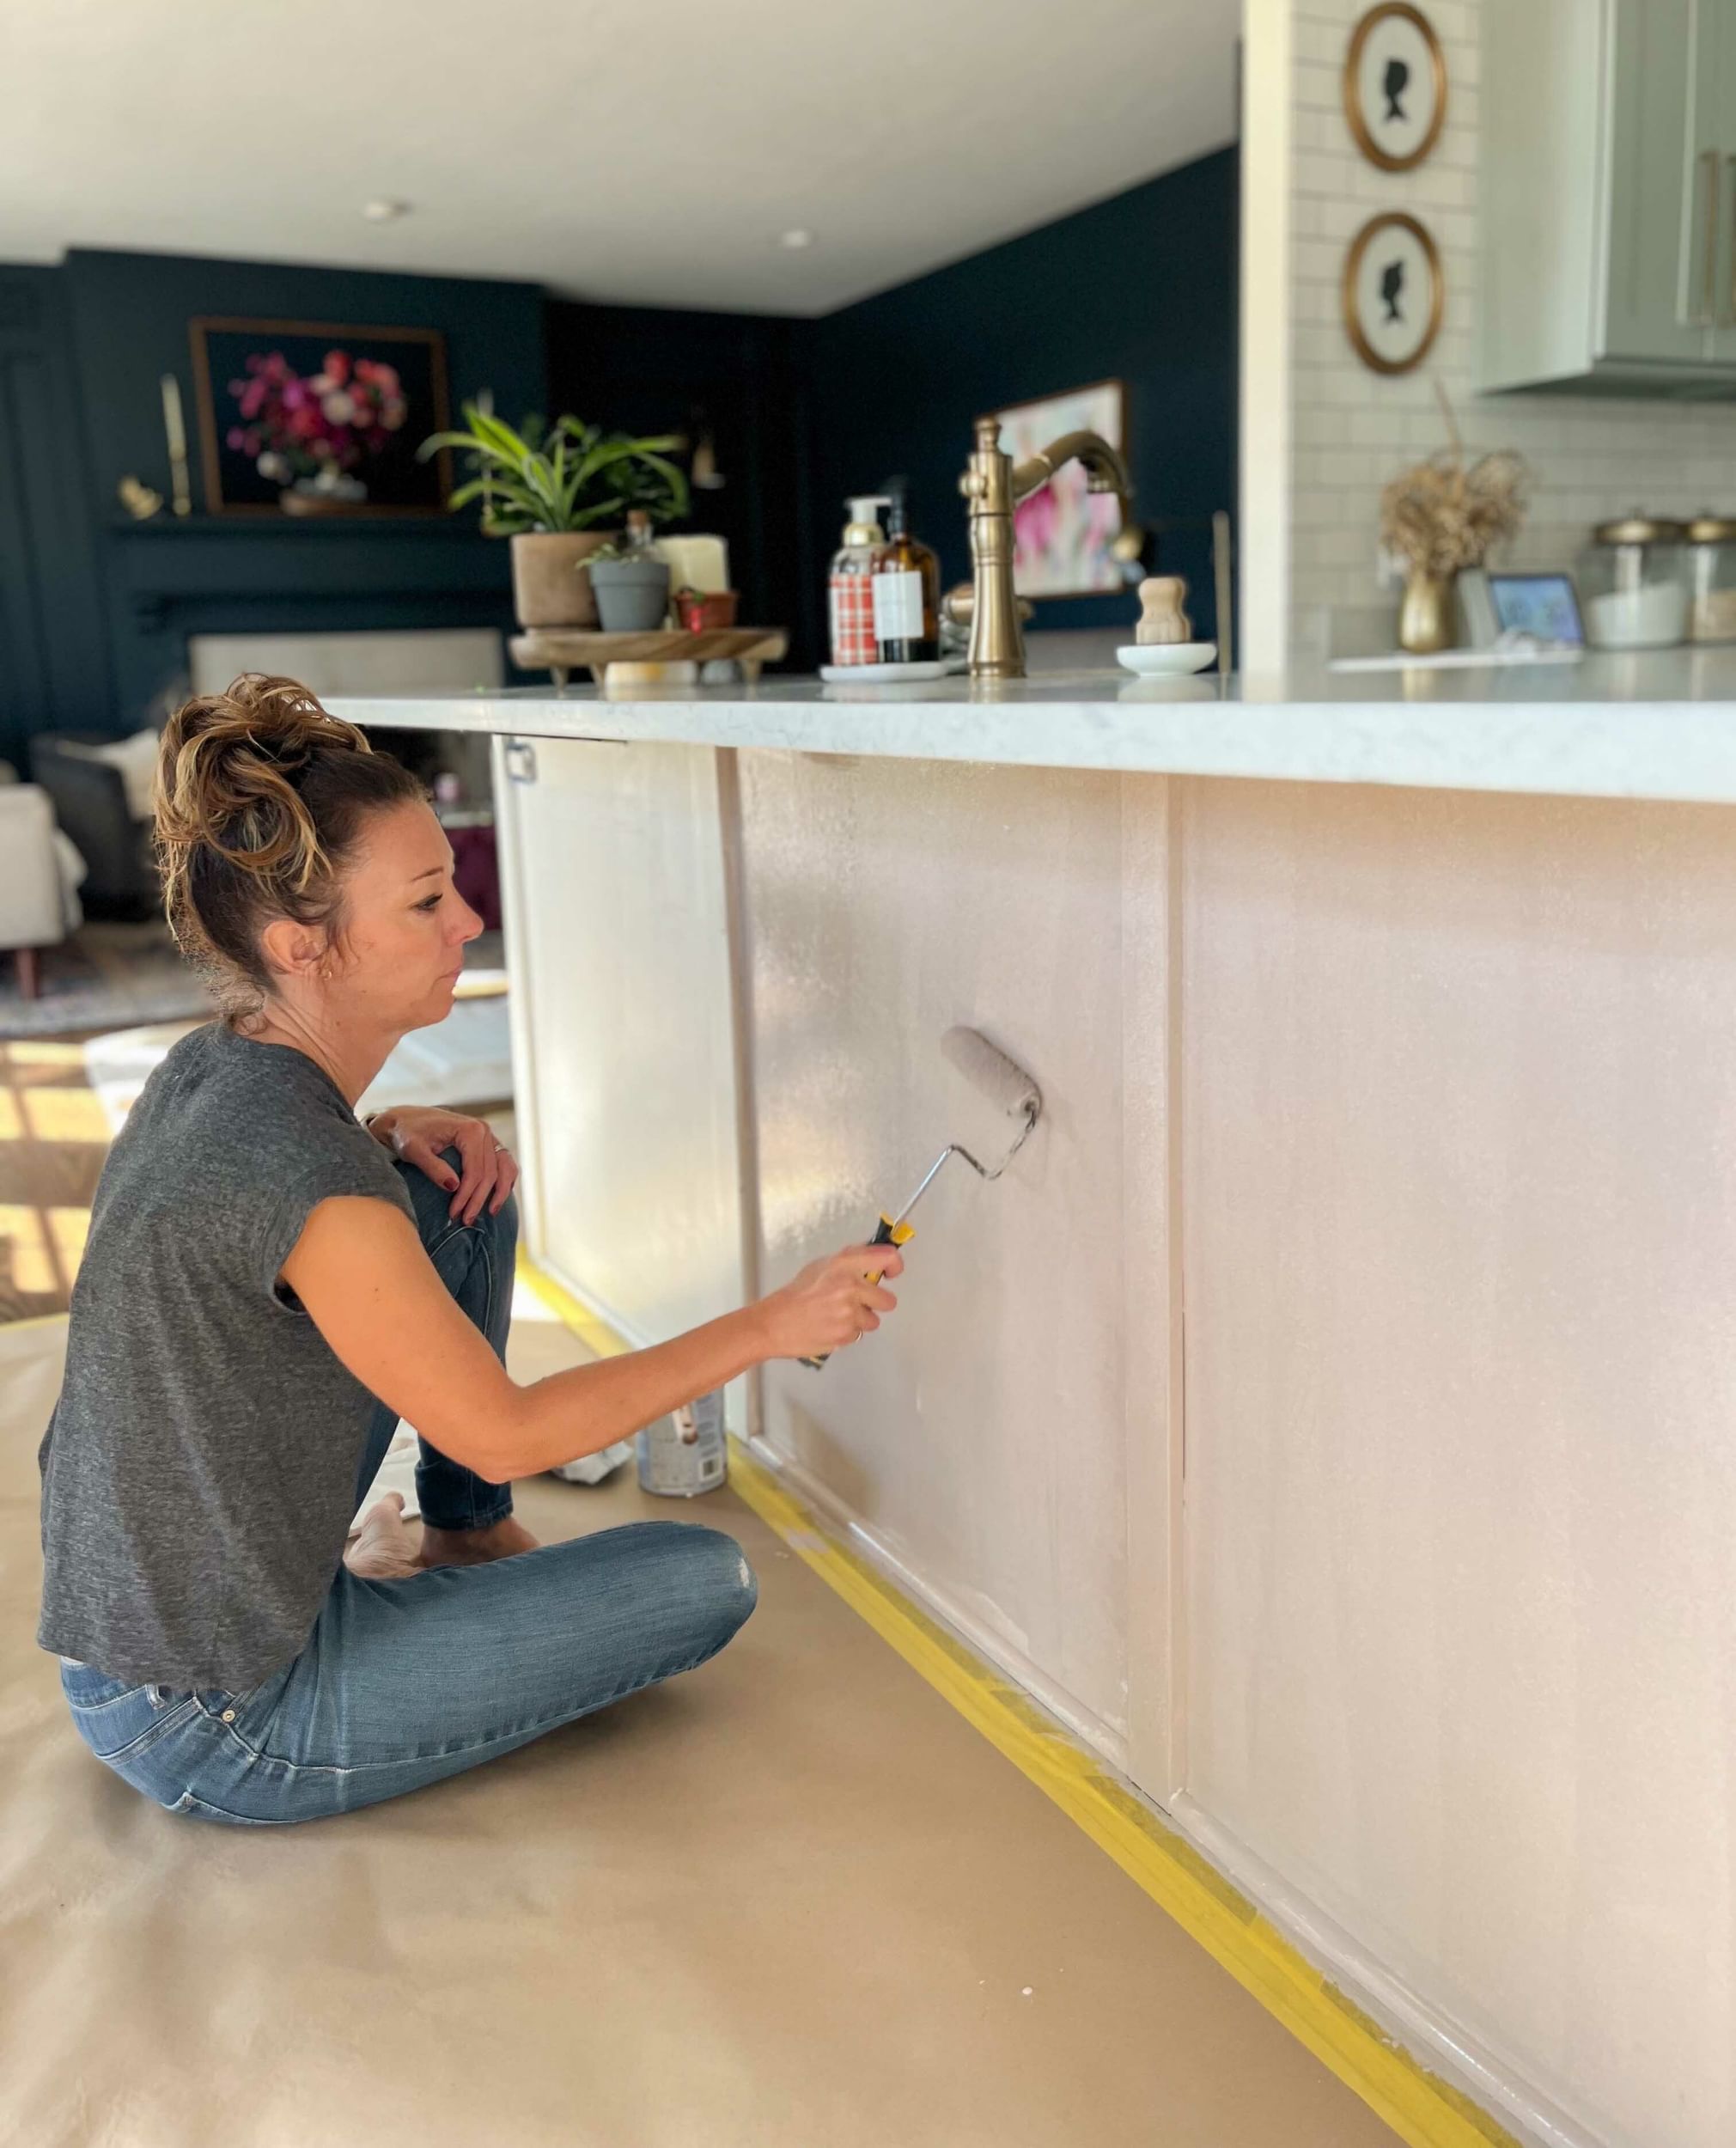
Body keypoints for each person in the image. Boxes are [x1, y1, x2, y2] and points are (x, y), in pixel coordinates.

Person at [37, 674, 901, 1826]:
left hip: (149, 1629)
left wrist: (388, 1134)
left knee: (458, 1190)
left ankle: (464, 1527)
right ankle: (385, 1607)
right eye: (427, 902)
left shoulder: (215, 1067)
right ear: (306, 947)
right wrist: (773, 1325)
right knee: (701, 1579)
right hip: (218, 1713)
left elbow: (268, 1213)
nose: (468, 923)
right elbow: (512, 1424)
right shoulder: (310, 1179)